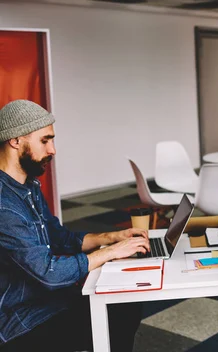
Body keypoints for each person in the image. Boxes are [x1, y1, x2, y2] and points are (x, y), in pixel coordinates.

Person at [0, 99, 151, 351]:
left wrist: (111, 237)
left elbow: (59, 237)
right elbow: (48, 274)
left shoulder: (28, 186)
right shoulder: (4, 206)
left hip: (47, 299)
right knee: (119, 313)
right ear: (15, 140)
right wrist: (110, 253)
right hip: (23, 319)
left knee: (124, 300)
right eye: (45, 140)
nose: (53, 150)